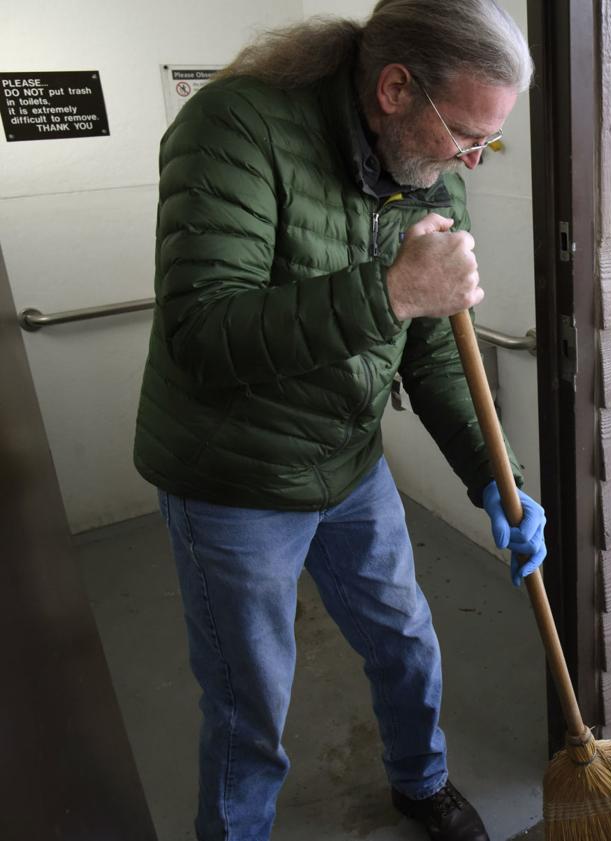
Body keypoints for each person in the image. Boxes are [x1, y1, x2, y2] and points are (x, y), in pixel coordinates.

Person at [131, 3, 544, 840]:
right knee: (250, 707)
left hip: (350, 464)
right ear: (395, 88)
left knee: (407, 641)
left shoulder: (433, 176)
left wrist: (495, 479)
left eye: (485, 143)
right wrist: (392, 290)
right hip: (233, 479)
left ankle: (421, 782)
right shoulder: (235, 127)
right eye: (465, 132)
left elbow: (433, 354)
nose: (471, 158)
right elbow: (201, 332)